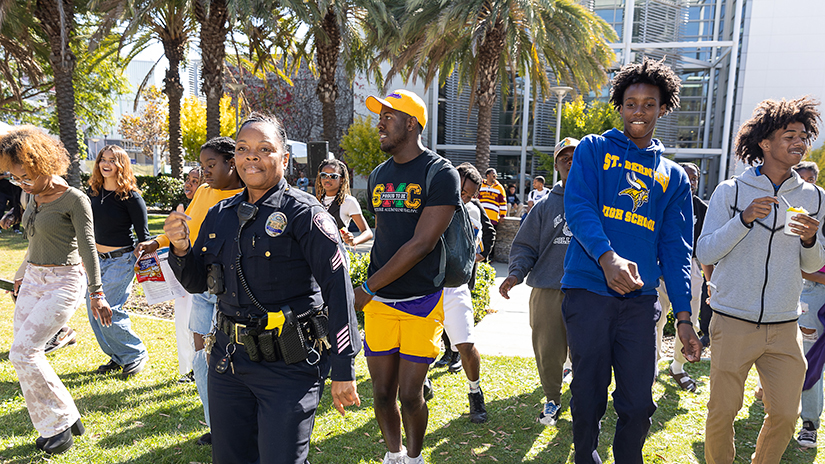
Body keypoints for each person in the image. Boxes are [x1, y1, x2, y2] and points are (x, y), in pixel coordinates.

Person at [166, 113, 361, 463]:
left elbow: (338, 289)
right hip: (229, 363)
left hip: (289, 366)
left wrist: (344, 369)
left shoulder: (305, 213)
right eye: (243, 149)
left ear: (284, 158)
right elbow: (197, 282)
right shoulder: (220, 214)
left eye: (263, 149)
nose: (251, 157)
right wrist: (179, 249)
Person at [562, 58, 702, 464]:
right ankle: (586, 456)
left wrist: (685, 318)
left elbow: (677, 250)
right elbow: (580, 207)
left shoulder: (674, 177)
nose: (639, 112)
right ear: (619, 107)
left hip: (641, 304)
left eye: (649, 104)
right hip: (588, 290)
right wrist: (607, 259)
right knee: (587, 394)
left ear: (663, 108)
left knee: (639, 403)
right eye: (631, 103)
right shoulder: (592, 148)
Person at [698, 96, 824, 464]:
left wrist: (811, 240)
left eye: (803, 136)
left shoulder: (815, 198)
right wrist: (743, 219)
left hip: (786, 326)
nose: (799, 142)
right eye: (790, 135)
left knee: (786, 414)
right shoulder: (731, 191)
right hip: (733, 320)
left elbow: (814, 263)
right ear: (765, 143)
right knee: (722, 412)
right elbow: (705, 252)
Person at [357, 89, 461, 464]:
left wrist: (367, 287)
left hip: (421, 301)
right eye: (379, 116)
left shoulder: (440, 173)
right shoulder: (379, 175)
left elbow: (421, 244)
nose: (380, 123)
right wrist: (373, 289)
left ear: (412, 123)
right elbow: (384, 235)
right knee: (382, 394)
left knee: (410, 395)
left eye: (388, 116)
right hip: (380, 304)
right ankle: (394, 455)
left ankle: (415, 457)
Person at [0, 126, 112, 454]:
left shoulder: (74, 199)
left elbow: (89, 247)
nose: (20, 183)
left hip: (65, 281)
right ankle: (64, 416)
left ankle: (58, 427)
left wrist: (97, 292)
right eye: (14, 177)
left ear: (44, 163)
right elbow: (34, 238)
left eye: (25, 176)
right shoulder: (28, 195)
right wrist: (22, 273)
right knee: (24, 357)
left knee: (23, 352)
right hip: (33, 279)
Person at [135, 136, 245, 445]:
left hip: (230, 293)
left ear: (231, 163)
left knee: (230, 360)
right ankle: (216, 427)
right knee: (201, 359)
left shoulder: (248, 195)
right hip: (200, 288)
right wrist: (156, 242)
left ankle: (240, 425)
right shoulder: (204, 192)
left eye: (212, 165)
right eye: (203, 165)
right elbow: (185, 229)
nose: (205, 172)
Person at [500, 136, 578, 427]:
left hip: (588, 290)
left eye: (575, 156)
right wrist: (515, 273)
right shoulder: (544, 206)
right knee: (548, 349)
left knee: (589, 350)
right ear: (557, 165)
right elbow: (525, 246)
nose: (570, 160)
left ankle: (584, 399)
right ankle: (552, 398)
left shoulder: (598, 200)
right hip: (547, 288)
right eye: (564, 157)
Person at [432, 161, 494, 424]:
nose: (464, 198)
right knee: (419, 346)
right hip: (426, 285)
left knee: (466, 345)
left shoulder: (472, 210)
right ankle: (421, 385)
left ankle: (475, 391)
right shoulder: (430, 201)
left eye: (469, 195)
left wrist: (480, 255)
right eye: (461, 192)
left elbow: (482, 238)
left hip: (455, 286)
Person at [87, 145, 150, 379]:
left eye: (112, 160)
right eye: (103, 159)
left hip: (120, 260)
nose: (106, 164)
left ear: (121, 164)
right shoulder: (93, 192)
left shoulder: (131, 196)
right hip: (95, 261)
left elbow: (144, 236)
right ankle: (118, 355)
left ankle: (135, 354)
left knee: (109, 309)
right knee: (94, 310)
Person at [655, 161, 714, 392]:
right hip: (659, 270)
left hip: (690, 269)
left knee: (690, 321)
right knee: (655, 322)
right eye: (686, 176)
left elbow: (705, 250)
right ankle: (653, 365)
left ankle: (678, 367)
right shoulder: (659, 201)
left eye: (695, 178)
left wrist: (709, 281)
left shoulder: (701, 209)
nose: (691, 182)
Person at [793, 160, 825, 448]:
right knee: (806, 358)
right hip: (800, 296)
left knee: (811, 360)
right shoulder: (788, 210)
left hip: (815, 294)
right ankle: (804, 422)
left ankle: (808, 422)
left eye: (810, 181)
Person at [315, 158, 373, 246]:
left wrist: (353, 241)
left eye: (333, 176)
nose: (327, 179)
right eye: (324, 175)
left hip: (336, 256)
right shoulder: (315, 201)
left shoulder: (348, 201)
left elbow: (368, 232)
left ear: (341, 179)